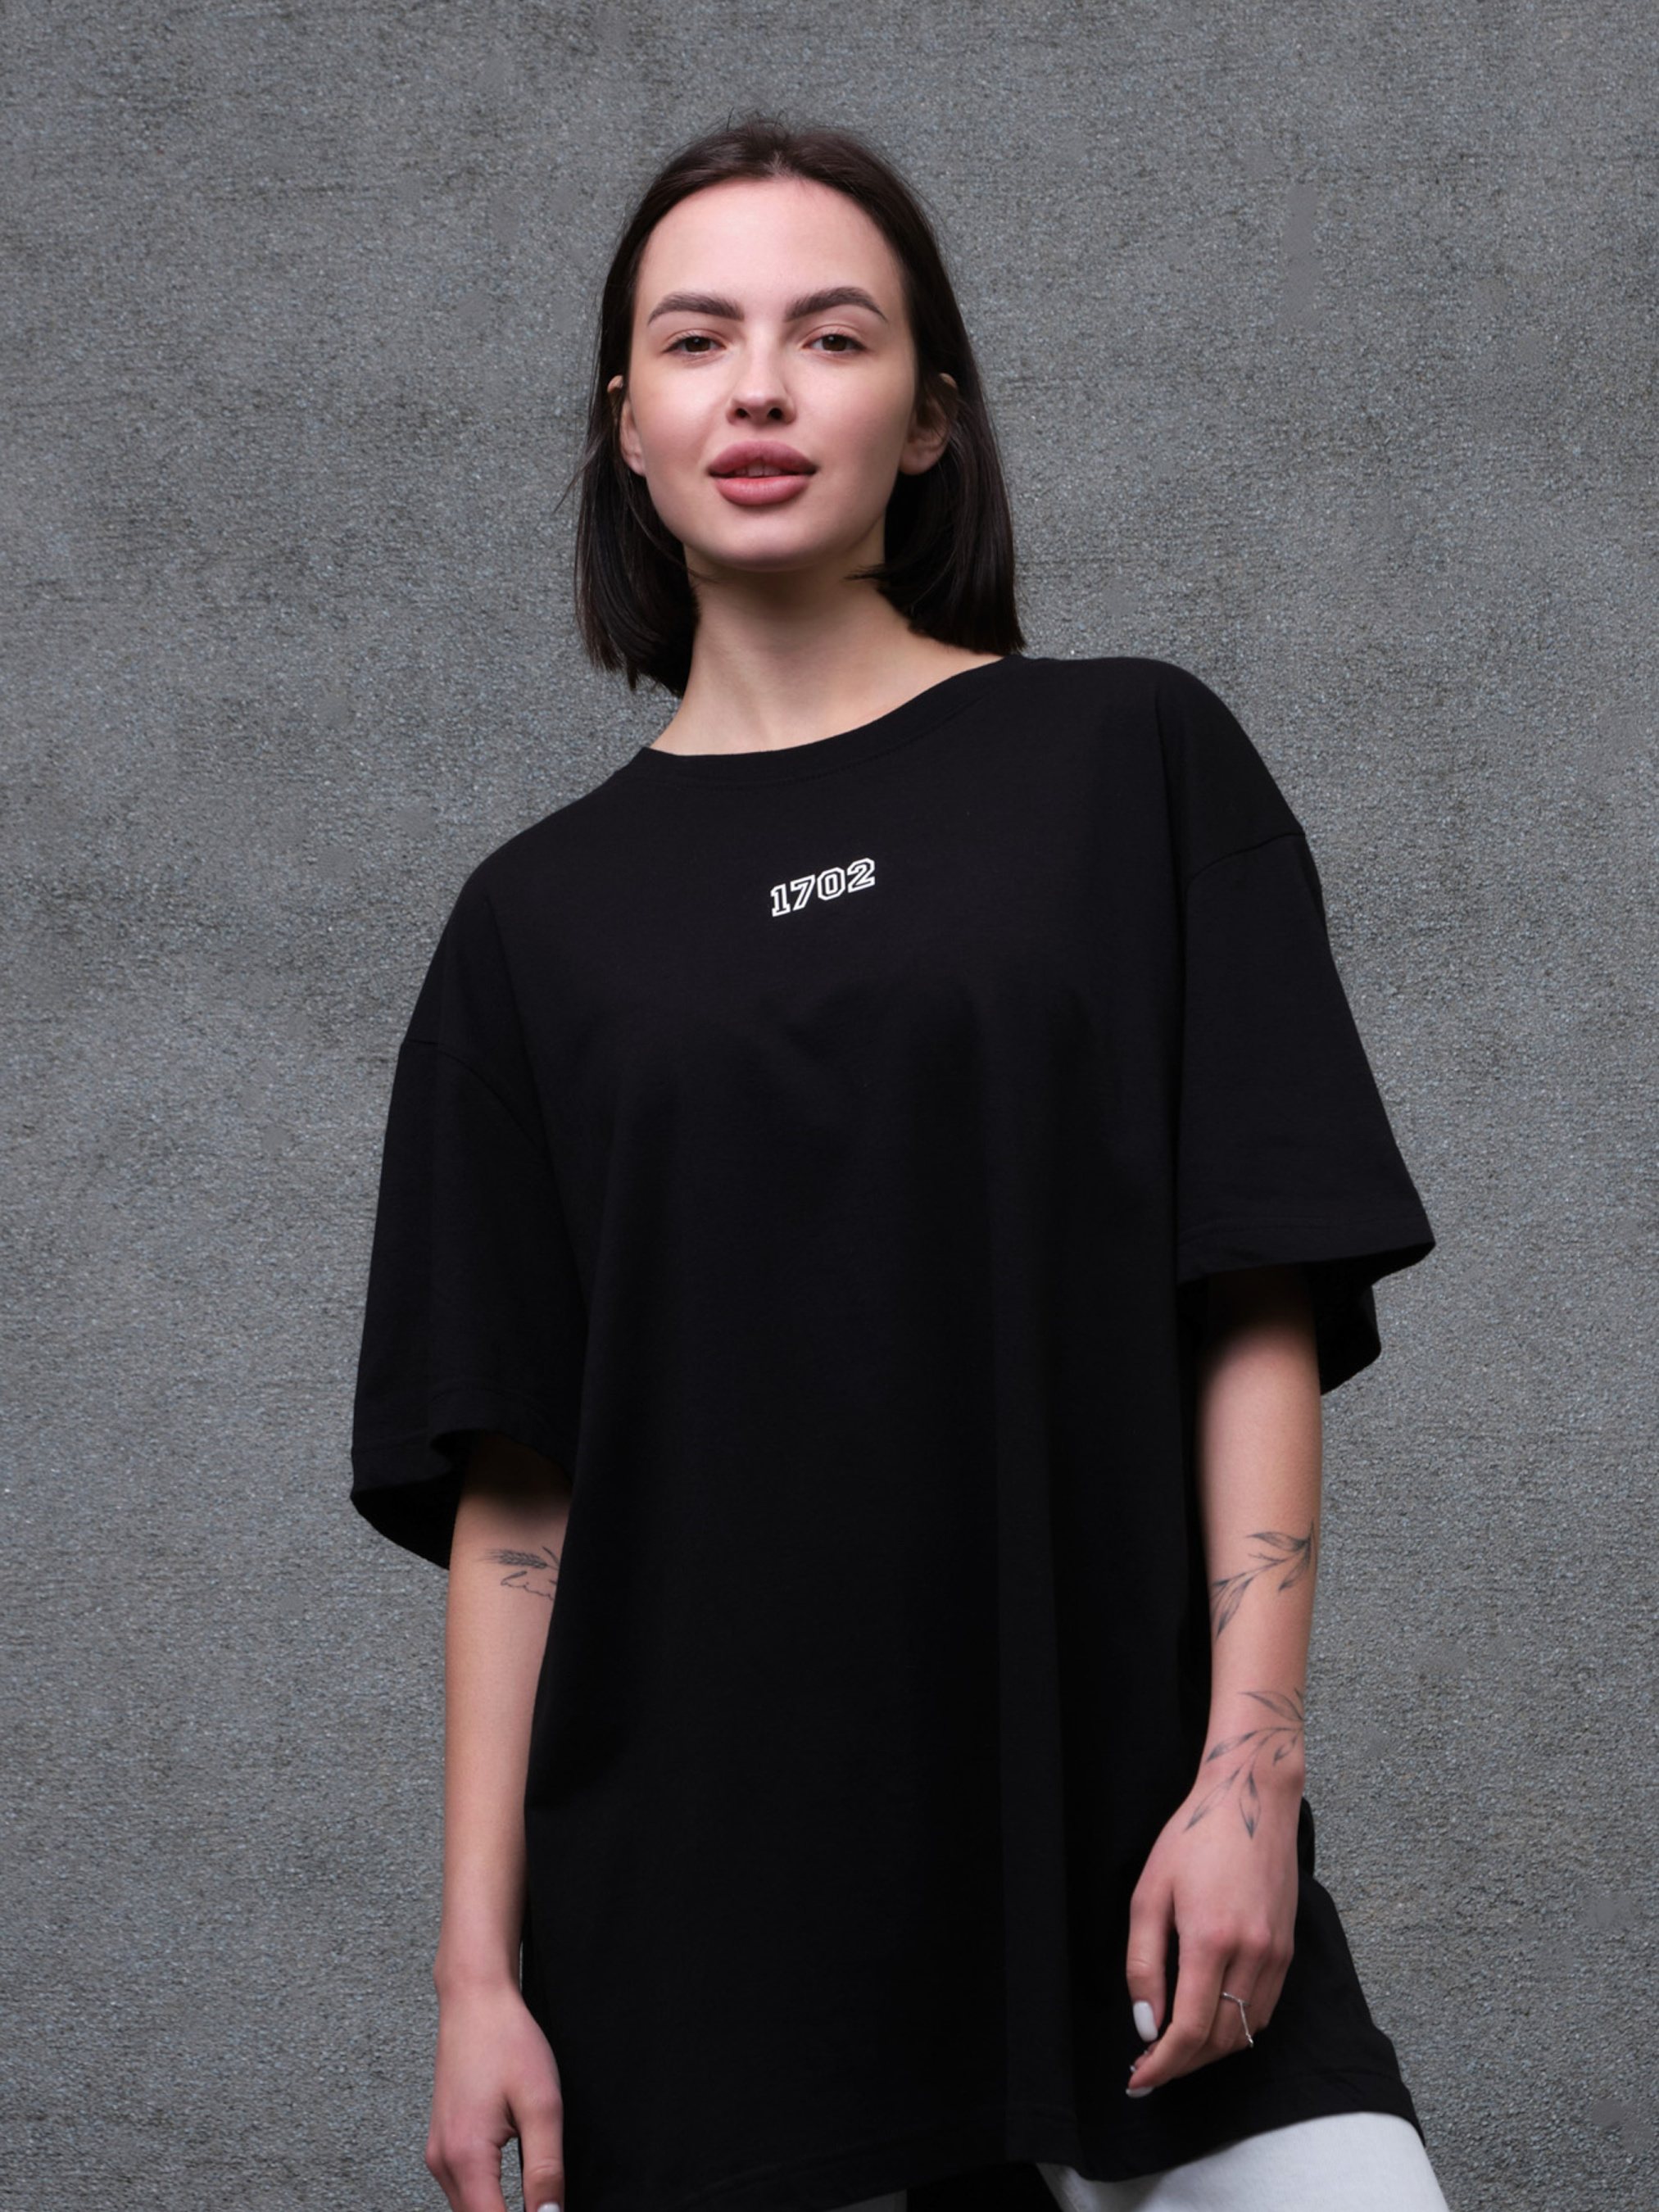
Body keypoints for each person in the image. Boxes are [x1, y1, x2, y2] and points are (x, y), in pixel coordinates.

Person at [350, 119, 1453, 2212]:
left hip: (1127, 1862)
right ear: (627, 426)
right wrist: (475, 1976)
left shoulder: (1126, 762)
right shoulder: (529, 928)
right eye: (698, 340)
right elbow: (515, 1489)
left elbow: (1255, 1289)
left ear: (928, 417)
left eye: (831, 336)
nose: (760, 389)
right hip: (701, 1948)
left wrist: (1249, 1770)